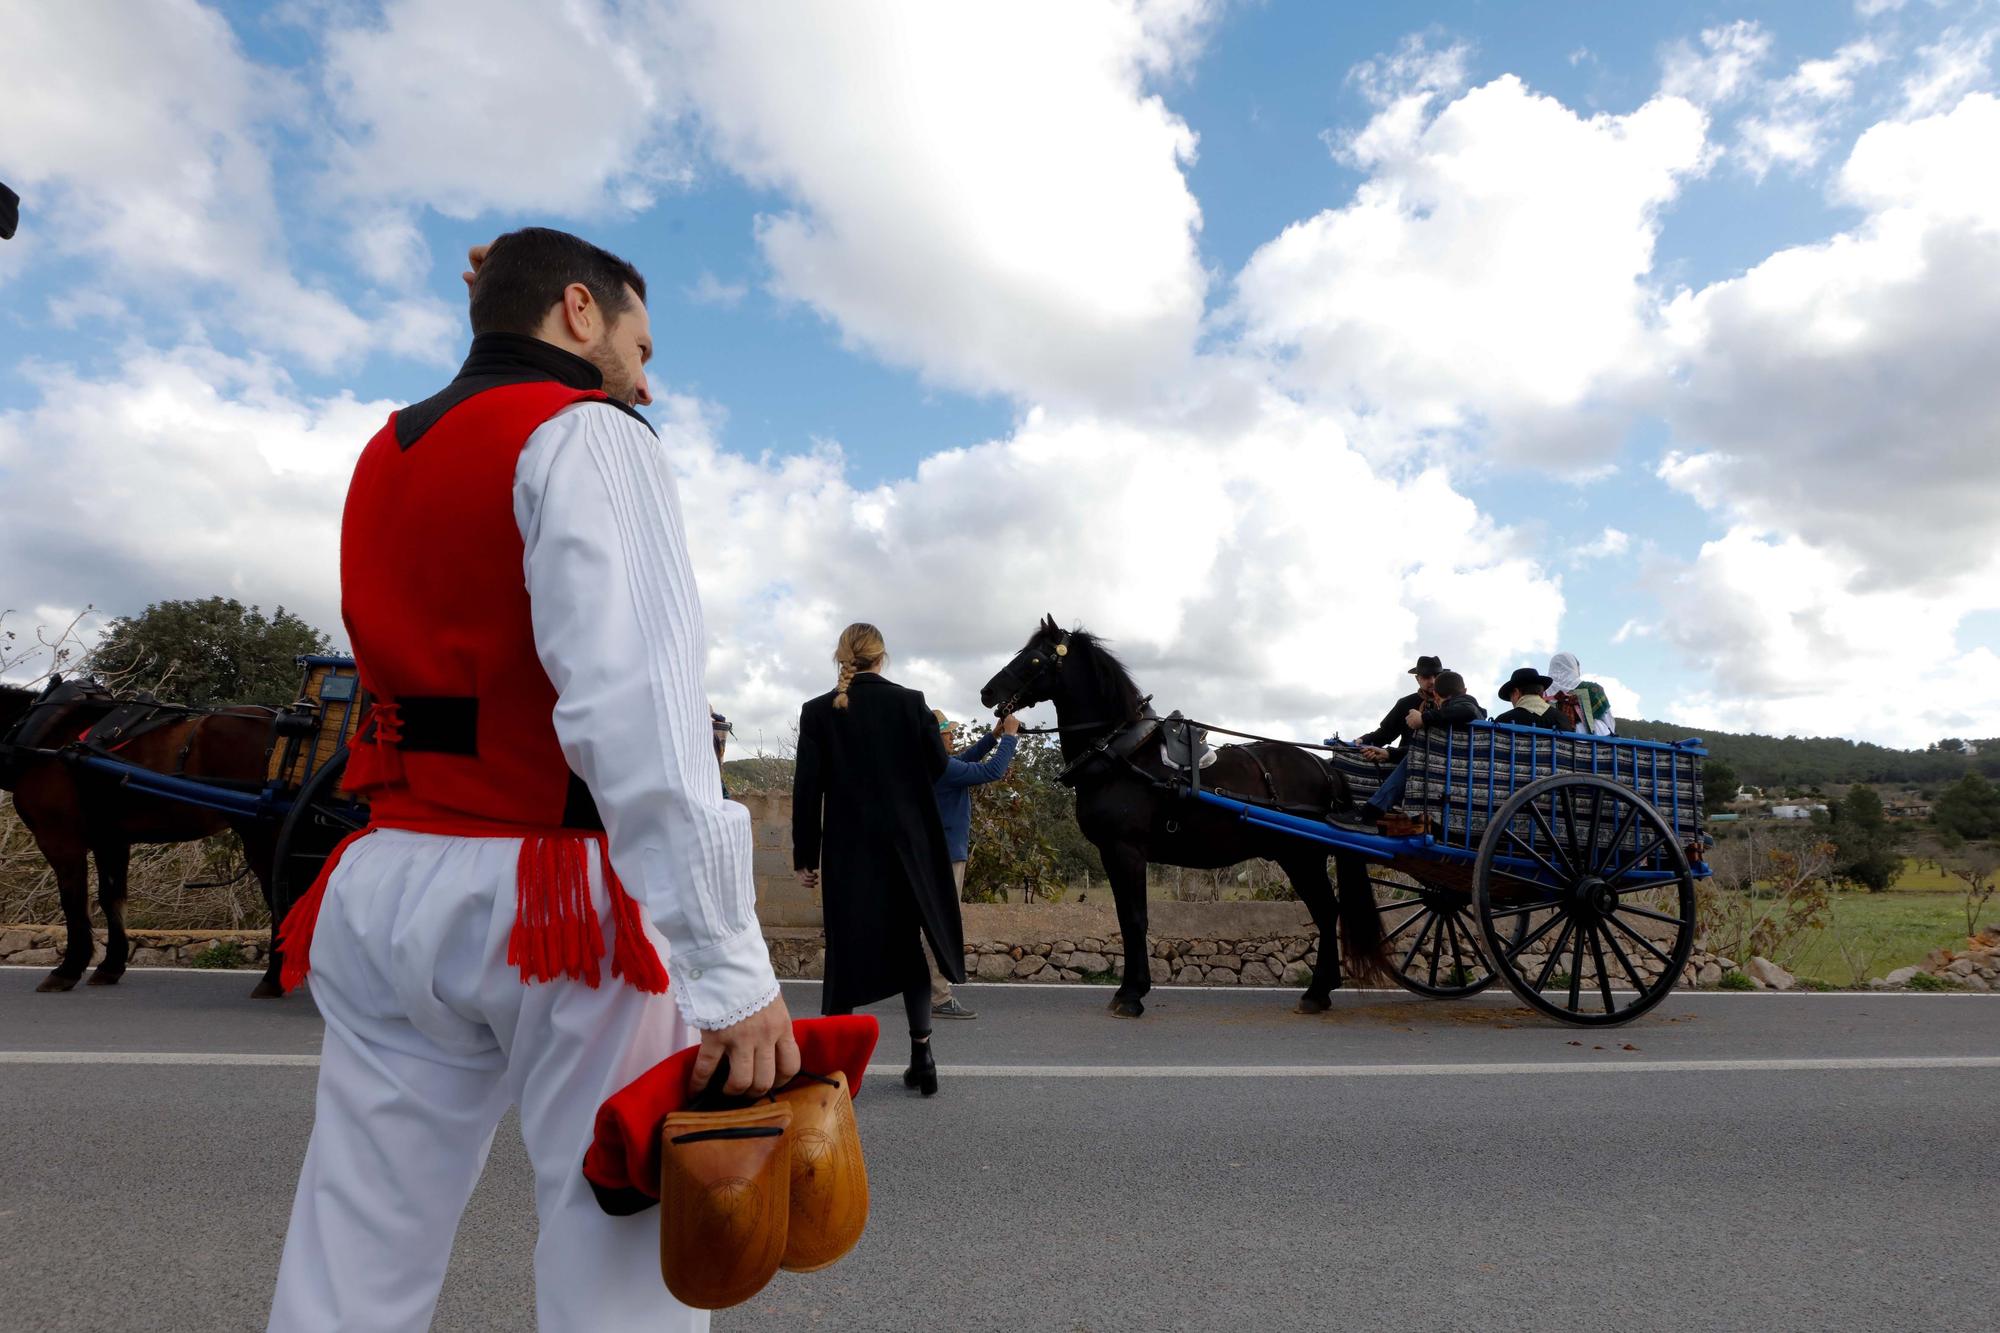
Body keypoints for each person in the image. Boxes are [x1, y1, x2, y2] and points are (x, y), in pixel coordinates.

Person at [268, 227, 795, 1333]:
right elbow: (635, 713)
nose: (646, 380)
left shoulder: (387, 447)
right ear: (576, 309)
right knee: (619, 1256)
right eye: (639, 346)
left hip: (387, 883)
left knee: (353, 1243)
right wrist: (728, 968)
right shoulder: (592, 436)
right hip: (555, 902)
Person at [793, 623, 963, 1097]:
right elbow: (939, 766)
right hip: (907, 849)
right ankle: (922, 1056)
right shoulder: (912, 703)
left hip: (849, 850)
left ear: (841, 658)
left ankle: (838, 1070)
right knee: (909, 948)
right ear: (882, 658)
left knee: (846, 951)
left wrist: (805, 856)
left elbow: (807, 789)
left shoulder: (817, 711)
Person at [927, 708, 1022, 1020]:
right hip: (947, 857)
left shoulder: (929, 763)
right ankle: (939, 997)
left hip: (932, 853)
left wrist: (993, 736)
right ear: (934, 737)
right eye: (947, 733)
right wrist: (1009, 737)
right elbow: (991, 771)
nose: (953, 737)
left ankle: (920, 987)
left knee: (925, 925)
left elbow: (967, 759)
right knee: (940, 927)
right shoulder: (943, 769)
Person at [1338, 670, 1486, 826]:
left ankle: (1372, 811)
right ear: (1464, 690)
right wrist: (1389, 753)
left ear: (1436, 695)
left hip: (1449, 781)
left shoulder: (1462, 708)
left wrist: (1424, 718)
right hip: (1465, 780)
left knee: (1415, 760)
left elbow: (1467, 710)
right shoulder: (1462, 716)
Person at [1356, 654, 1445, 762]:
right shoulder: (1405, 703)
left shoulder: (1452, 703)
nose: (1432, 681)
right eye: (1426, 677)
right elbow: (1386, 733)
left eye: (1436, 676)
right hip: (1405, 761)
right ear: (1417, 679)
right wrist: (1363, 740)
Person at [1548, 652, 1616, 735]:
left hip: (1558, 741)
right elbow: (1607, 719)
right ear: (1574, 667)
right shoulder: (1592, 689)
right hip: (1596, 739)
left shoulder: (1543, 694)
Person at [1493, 666, 1570, 730]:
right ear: (1541, 692)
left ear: (1516, 693)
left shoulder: (1503, 720)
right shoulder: (1562, 719)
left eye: (1510, 697)